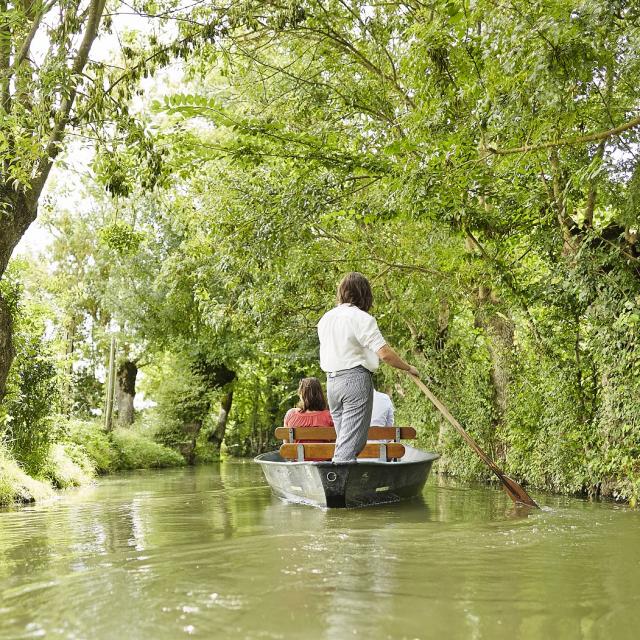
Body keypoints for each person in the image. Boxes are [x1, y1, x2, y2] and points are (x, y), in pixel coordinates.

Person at [317, 272, 419, 462]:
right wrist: (407, 368)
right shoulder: (361, 318)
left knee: (344, 441)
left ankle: (346, 483)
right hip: (355, 381)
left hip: (332, 383)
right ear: (364, 295)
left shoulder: (325, 319)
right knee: (351, 444)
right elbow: (385, 354)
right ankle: (335, 486)